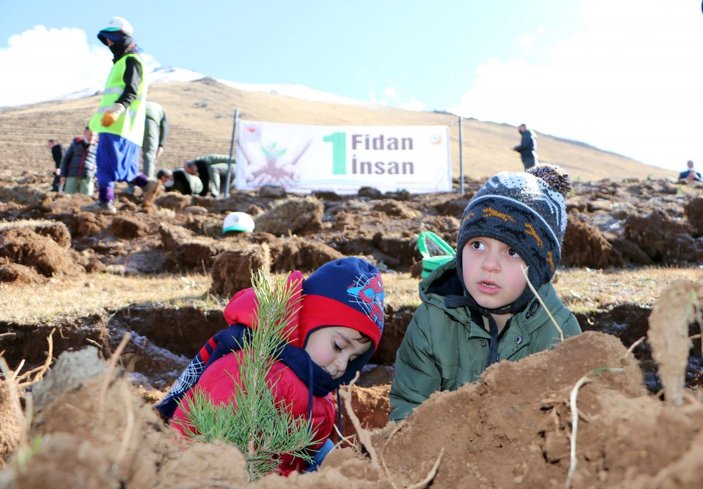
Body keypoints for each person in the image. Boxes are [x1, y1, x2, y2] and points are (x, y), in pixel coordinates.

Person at [155, 257, 385, 475]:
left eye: (354, 359)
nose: (342, 365)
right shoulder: (247, 373)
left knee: (330, 455)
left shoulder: (316, 383)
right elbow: (217, 455)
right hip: (206, 473)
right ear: (306, 322)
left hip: (279, 472)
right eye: (338, 346)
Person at [390, 165, 582, 421]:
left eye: (512, 251)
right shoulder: (433, 320)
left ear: (539, 270)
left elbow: (572, 428)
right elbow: (408, 409)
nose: (489, 264)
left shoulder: (559, 333)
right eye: (477, 245)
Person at [84, 17, 159, 214]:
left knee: (105, 166)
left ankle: (105, 202)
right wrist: (92, 125)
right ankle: (145, 183)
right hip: (119, 124)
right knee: (119, 166)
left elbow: (131, 91)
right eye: (107, 39)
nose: (109, 43)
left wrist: (118, 109)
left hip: (119, 123)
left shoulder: (131, 61)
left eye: (111, 38)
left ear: (123, 38)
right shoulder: (123, 63)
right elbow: (109, 100)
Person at [58, 126, 97, 195]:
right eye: (90, 134)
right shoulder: (75, 144)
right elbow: (66, 160)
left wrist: (96, 174)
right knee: (68, 198)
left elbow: (99, 163)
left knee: (86, 200)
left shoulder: (97, 147)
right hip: (72, 176)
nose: (92, 137)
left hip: (87, 177)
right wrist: (63, 175)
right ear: (85, 133)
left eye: (94, 135)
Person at [141, 100, 168, 179]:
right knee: (149, 155)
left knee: (132, 154)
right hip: (150, 122)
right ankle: (147, 185)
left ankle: (130, 187)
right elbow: (164, 127)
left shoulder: (142, 103)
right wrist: (161, 145)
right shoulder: (160, 109)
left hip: (135, 119)